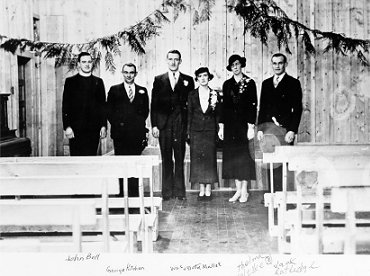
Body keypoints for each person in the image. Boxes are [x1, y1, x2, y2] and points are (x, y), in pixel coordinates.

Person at [151, 50, 195, 201]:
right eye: (170, 59)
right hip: (164, 125)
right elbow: (154, 104)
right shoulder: (159, 80)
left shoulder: (188, 80)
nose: (173, 62)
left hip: (180, 125)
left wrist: (188, 127)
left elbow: (190, 107)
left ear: (180, 61)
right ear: (166, 60)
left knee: (179, 158)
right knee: (166, 158)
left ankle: (180, 192)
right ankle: (167, 192)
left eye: (176, 59)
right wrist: (155, 125)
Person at [257, 53, 303, 193]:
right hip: (269, 130)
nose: (277, 66)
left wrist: (292, 130)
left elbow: (297, 109)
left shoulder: (293, 83)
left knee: (283, 163)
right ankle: (271, 195)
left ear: (285, 64)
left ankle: (283, 196)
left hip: (285, 130)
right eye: (274, 63)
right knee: (271, 162)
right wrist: (260, 128)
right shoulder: (266, 84)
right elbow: (263, 108)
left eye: (280, 63)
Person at [107, 63, 149, 197]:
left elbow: (145, 112)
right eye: (126, 72)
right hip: (120, 135)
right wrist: (120, 125)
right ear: (122, 73)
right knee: (121, 164)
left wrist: (137, 127)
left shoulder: (142, 91)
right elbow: (109, 112)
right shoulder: (114, 90)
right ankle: (121, 195)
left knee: (135, 165)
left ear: (135, 74)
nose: (129, 75)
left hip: (136, 135)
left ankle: (134, 195)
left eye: (131, 72)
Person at [220, 54, 257, 203]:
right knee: (232, 158)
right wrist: (221, 126)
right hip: (230, 127)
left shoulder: (249, 82)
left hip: (243, 126)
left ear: (241, 65)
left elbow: (253, 105)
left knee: (244, 157)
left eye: (237, 64)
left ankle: (244, 191)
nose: (235, 67)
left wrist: (250, 126)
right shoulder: (227, 84)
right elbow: (224, 107)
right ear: (230, 67)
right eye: (233, 65)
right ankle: (237, 190)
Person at [62, 52, 107, 156]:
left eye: (89, 62)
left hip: (93, 130)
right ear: (78, 64)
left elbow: (103, 106)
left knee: (91, 159)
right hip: (75, 130)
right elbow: (65, 106)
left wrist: (103, 126)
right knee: (76, 161)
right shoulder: (70, 82)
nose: (87, 64)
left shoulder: (98, 82)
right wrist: (67, 127)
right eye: (84, 62)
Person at [187, 67, 221, 201]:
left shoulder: (214, 94)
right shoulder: (192, 94)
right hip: (196, 131)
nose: (203, 78)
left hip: (210, 130)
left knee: (209, 159)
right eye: (200, 76)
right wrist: (188, 132)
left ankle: (209, 188)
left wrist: (218, 130)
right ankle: (201, 188)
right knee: (198, 160)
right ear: (197, 79)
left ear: (209, 78)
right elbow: (189, 113)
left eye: (205, 76)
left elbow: (218, 115)